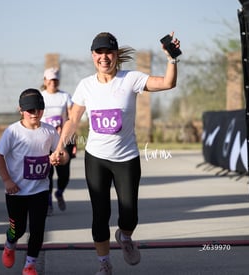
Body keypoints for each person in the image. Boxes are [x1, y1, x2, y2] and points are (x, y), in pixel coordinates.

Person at [51, 32, 180, 274]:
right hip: (96, 159)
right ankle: (104, 263)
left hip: (126, 158)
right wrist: (60, 147)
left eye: (108, 52)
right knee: (100, 214)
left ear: (116, 55)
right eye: (99, 52)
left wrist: (172, 58)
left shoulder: (130, 79)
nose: (104, 57)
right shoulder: (85, 85)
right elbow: (73, 120)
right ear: (93, 56)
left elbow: (167, 83)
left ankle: (124, 236)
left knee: (130, 214)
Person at [0, 88, 69, 275]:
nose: (35, 114)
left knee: (37, 230)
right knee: (17, 229)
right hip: (16, 192)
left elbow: (63, 154)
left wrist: (60, 158)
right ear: (21, 110)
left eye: (38, 109)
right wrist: (7, 180)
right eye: (30, 110)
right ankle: (10, 244)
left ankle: (29, 265)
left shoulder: (49, 131)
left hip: (40, 190)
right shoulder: (13, 131)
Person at [40, 67, 76, 216]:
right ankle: (48, 202)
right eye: (50, 80)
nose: (53, 83)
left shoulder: (65, 96)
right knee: (47, 172)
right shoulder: (40, 96)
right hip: (45, 139)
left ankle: (59, 192)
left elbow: (72, 118)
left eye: (55, 80)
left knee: (64, 173)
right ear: (45, 81)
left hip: (63, 139)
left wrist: (73, 141)